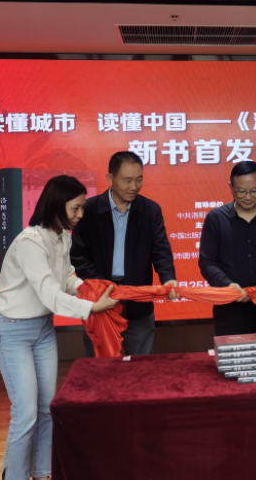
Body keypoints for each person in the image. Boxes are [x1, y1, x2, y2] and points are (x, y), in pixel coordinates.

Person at [0, 175, 119, 480]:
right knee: (25, 413)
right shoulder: (30, 243)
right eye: (76, 208)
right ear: (56, 205)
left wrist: (90, 290)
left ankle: (43, 471)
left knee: (48, 407)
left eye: (82, 208)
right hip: (13, 331)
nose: (80, 214)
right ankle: (15, 476)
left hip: (43, 330)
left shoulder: (62, 237)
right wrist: (91, 307)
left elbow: (66, 278)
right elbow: (49, 294)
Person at [70, 151, 177, 357]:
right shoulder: (89, 210)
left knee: (141, 366)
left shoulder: (150, 210)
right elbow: (79, 257)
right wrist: (105, 286)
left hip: (138, 303)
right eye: (127, 180)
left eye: (139, 179)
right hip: (101, 301)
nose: (134, 186)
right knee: (102, 367)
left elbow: (161, 251)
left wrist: (168, 279)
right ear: (110, 178)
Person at [199, 161, 256, 336]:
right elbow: (207, 262)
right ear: (231, 187)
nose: (248, 197)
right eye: (241, 191)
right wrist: (228, 285)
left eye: (254, 191)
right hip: (229, 310)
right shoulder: (216, 218)